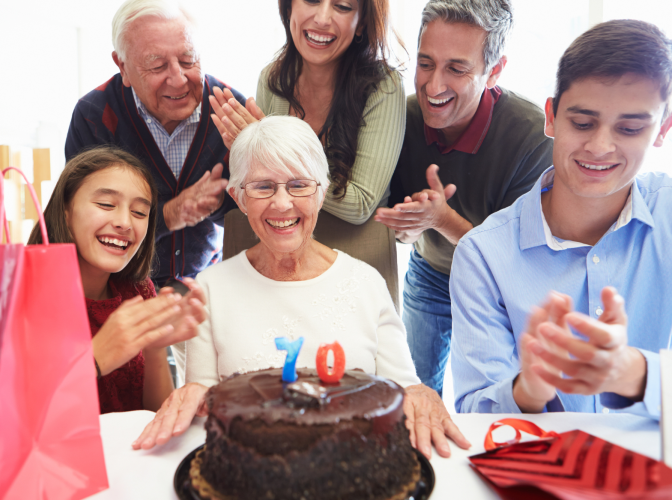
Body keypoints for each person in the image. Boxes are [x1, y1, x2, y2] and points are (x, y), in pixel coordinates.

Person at [132, 116, 471, 459]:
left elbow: (404, 388)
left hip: (352, 466)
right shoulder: (209, 289)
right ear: (239, 197)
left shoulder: (366, 282)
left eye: (298, 185)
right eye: (263, 187)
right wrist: (190, 392)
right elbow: (201, 397)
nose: (282, 204)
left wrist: (422, 394)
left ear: (321, 194)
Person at [450, 19, 672, 417]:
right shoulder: (483, 255)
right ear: (550, 117)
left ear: (662, 129)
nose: (600, 146)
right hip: (541, 475)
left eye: (630, 128)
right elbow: (473, 413)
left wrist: (636, 374)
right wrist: (528, 390)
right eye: (582, 123)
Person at [374, 0, 553, 395]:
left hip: (502, 288)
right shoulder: (400, 119)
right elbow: (401, 231)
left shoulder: (533, 137)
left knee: (497, 399)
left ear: (494, 71)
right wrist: (411, 225)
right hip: (432, 273)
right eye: (425, 64)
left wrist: (441, 219)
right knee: (415, 391)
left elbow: (510, 259)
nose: (434, 86)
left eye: (456, 69)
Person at [65, 0, 246, 290]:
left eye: (189, 60)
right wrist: (170, 213)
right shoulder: (94, 115)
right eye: (157, 65)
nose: (178, 80)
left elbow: (257, 213)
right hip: (120, 289)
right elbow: (82, 219)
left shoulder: (232, 110)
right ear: (122, 65)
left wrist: (253, 172)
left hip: (209, 286)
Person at [27, 146, 206, 413]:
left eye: (139, 213)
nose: (124, 222)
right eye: (106, 205)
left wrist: (156, 346)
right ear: (65, 210)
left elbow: (155, 415)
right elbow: (12, 420)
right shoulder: (21, 294)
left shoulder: (137, 290)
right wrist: (94, 359)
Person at [209, 0, 406, 225]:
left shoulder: (383, 85)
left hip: (356, 253)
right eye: (312, 0)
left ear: (361, 23)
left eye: (342, 6)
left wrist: (272, 150)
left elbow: (360, 205)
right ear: (289, 6)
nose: (322, 19)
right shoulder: (271, 78)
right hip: (284, 247)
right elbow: (262, 192)